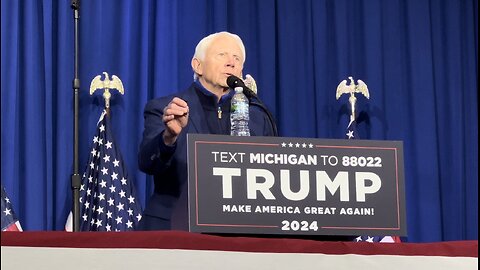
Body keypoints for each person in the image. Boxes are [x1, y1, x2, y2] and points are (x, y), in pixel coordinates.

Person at [137, 31, 275, 231]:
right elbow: (147, 162)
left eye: (237, 58)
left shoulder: (258, 116)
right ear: (197, 65)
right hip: (175, 228)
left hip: (238, 232)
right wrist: (169, 137)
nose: (231, 62)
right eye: (222, 55)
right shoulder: (167, 108)